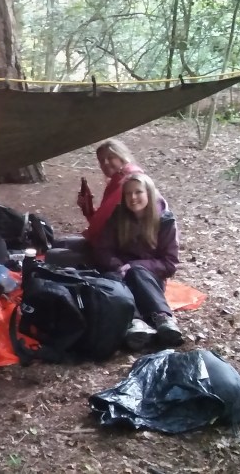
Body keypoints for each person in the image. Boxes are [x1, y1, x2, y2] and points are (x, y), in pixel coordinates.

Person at [93, 173, 184, 349]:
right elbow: (103, 250)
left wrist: (135, 266)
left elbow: (170, 264)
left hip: (150, 280)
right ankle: (135, 323)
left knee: (137, 272)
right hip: (119, 273)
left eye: (138, 192)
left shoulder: (165, 221)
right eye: (128, 194)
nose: (133, 197)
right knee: (112, 281)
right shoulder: (118, 217)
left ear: (149, 193)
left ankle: (164, 319)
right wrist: (118, 266)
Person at [46, 138, 146, 267]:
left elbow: (102, 225)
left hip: (117, 255)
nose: (105, 163)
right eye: (101, 160)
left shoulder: (129, 182)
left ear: (122, 157)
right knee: (58, 243)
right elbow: (104, 221)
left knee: (52, 255)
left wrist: (91, 234)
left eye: (110, 157)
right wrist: (88, 209)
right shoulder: (116, 180)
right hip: (105, 245)